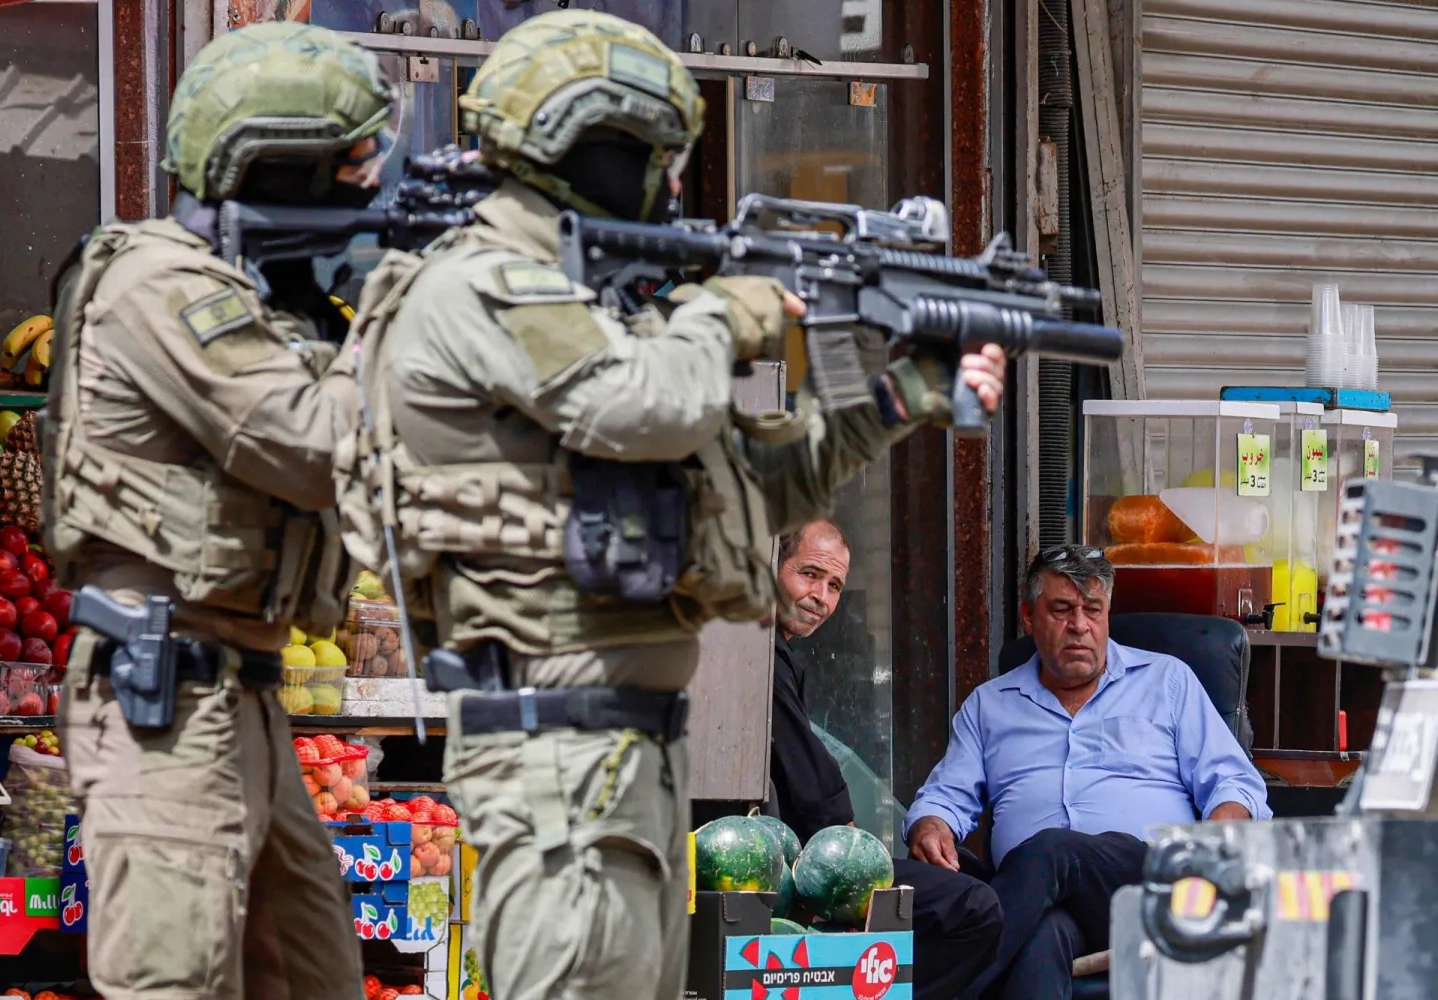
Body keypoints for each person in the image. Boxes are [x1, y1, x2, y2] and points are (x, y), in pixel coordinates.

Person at [334, 10, 1008, 1000]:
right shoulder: (483, 285)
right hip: (552, 750)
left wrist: (897, 398)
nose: (674, 181)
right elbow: (641, 406)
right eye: (654, 153)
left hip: (633, 753)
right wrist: (728, 304)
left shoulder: (596, 309)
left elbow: (750, 485)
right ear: (581, 147)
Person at [43, 23, 397, 1000]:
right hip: (167, 695)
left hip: (242, 690)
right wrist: (405, 310)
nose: (367, 188)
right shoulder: (155, 281)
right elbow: (314, 442)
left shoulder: (257, 298)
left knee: (314, 975)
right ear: (271, 165)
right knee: (176, 983)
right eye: (347, 165)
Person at [904, 545, 1271, 1000]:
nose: (1080, 625)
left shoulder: (1166, 681)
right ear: (1028, 617)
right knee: (1042, 937)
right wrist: (931, 825)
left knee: (1053, 850)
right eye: (1061, 609)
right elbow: (945, 797)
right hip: (1046, 899)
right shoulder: (989, 705)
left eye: (1093, 610)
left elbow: (1235, 783)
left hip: (1148, 882)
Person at [771, 520, 1003, 1000]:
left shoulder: (782, 654)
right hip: (805, 865)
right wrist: (852, 841)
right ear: (769, 566)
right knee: (974, 909)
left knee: (972, 875)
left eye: (834, 585)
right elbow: (813, 795)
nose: (821, 596)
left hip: (813, 851)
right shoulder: (757, 655)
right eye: (809, 574)